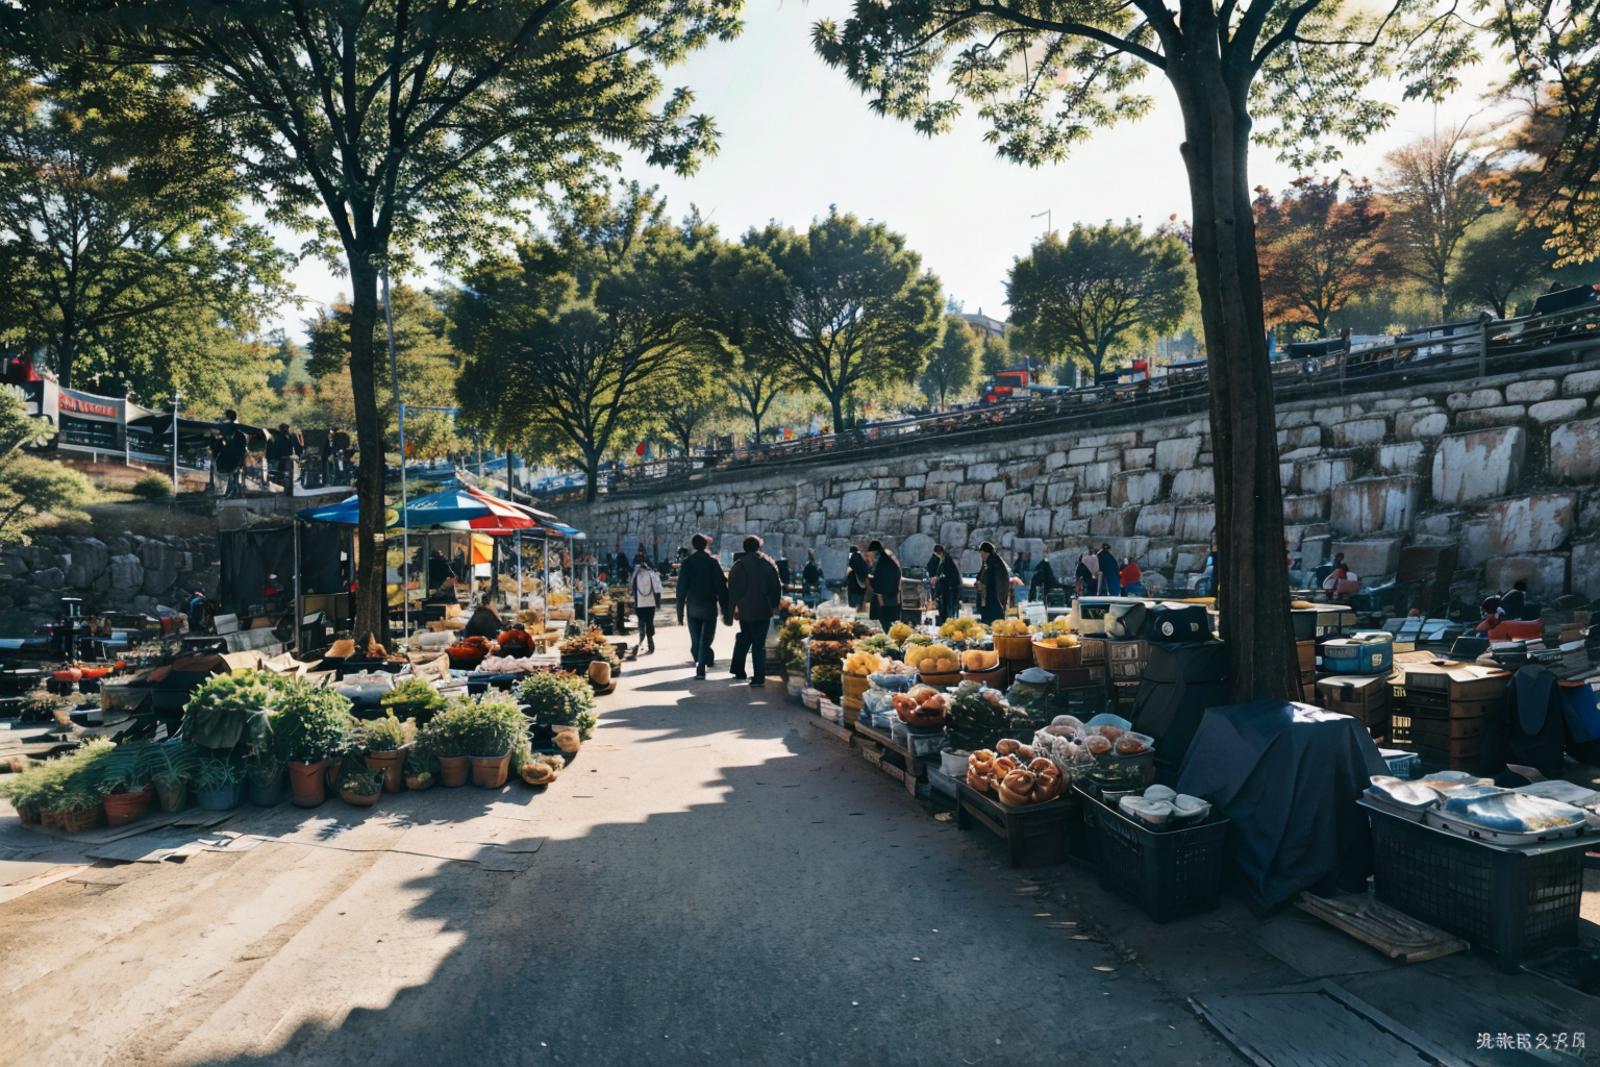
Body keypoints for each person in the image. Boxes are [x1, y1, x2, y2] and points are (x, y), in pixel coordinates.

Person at [728, 536, 783, 684]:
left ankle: (739, 671)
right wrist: (775, 605)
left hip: (745, 610)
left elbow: (733, 590)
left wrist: (732, 609)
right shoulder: (768, 563)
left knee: (745, 637)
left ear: (744, 548)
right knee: (759, 644)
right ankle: (759, 677)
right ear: (759, 547)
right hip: (764, 609)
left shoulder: (738, 565)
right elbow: (776, 586)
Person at [677, 533, 730, 679]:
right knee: (705, 639)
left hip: (693, 606)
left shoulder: (687, 563)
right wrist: (726, 608)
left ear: (694, 546)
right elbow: (721, 586)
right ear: (706, 545)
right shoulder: (712, 563)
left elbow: (681, 589)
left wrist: (679, 611)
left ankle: (702, 661)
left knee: (696, 640)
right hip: (709, 606)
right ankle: (701, 666)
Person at [630, 558, 663, 654]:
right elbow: (658, 589)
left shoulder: (635, 575)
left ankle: (641, 638)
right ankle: (650, 640)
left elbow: (632, 588)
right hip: (650, 603)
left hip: (640, 603)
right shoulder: (652, 574)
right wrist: (658, 603)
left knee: (641, 621)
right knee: (649, 622)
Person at [866, 540, 902, 627]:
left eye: (871, 553)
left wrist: (871, 581)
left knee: (886, 623)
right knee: (891, 622)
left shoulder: (882, 562)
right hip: (892, 595)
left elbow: (880, 581)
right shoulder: (886, 558)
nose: (870, 556)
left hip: (885, 599)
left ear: (874, 552)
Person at [975, 541, 1011, 624]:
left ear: (986, 552)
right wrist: (978, 583)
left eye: (982, 553)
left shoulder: (995, 563)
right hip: (987, 598)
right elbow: (980, 575)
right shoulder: (986, 562)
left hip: (994, 599)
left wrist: (984, 585)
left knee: (994, 621)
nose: (981, 556)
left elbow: (997, 580)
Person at [932, 544, 962, 623]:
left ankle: (947, 623)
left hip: (949, 589)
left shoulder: (947, 560)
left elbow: (946, 574)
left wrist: (937, 578)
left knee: (948, 609)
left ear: (940, 552)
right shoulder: (944, 560)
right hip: (947, 588)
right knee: (945, 608)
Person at [846, 546, 870, 610]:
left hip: (854, 587)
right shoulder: (860, 559)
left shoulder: (853, 558)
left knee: (854, 607)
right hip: (861, 586)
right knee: (860, 605)